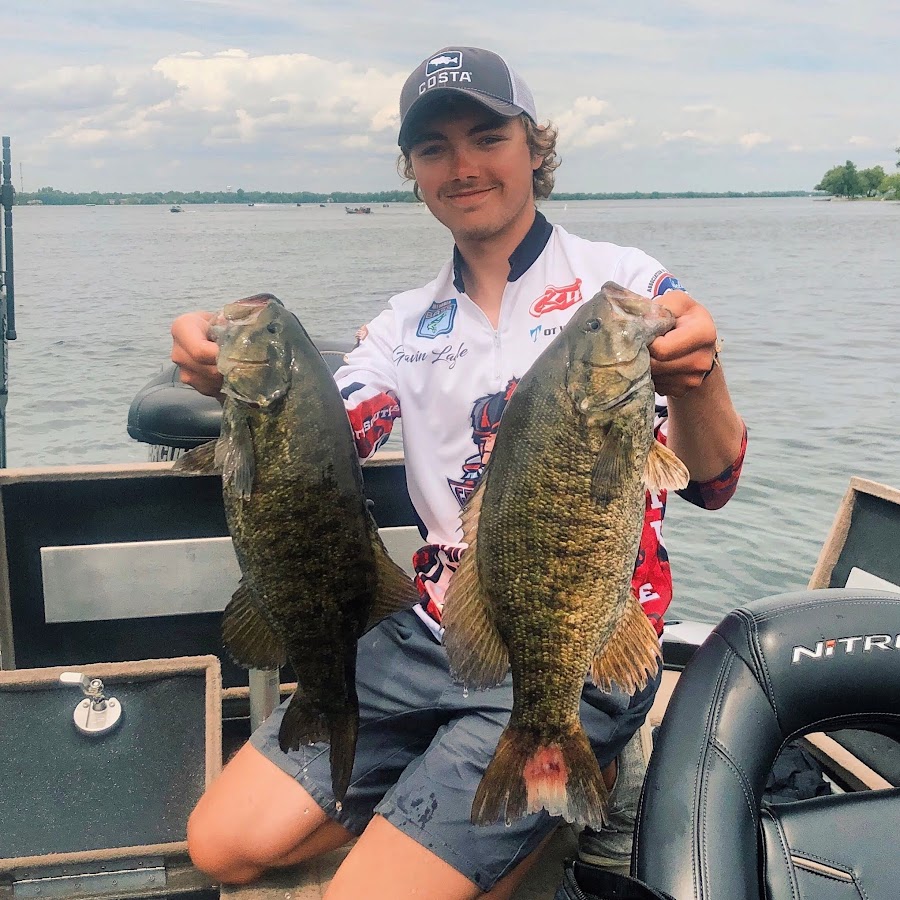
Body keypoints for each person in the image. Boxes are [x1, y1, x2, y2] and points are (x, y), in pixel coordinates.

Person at [170, 46, 747, 900]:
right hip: (431, 631)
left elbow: (712, 482)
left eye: (488, 137)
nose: (464, 165)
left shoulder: (623, 286)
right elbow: (335, 429)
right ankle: (462, 801)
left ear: (534, 148)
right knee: (219, 845)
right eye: (434, 148)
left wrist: (701, 375)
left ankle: (536, 785)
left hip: (574, 642)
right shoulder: (403, 325)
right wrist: (230, 375)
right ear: (414, 172)